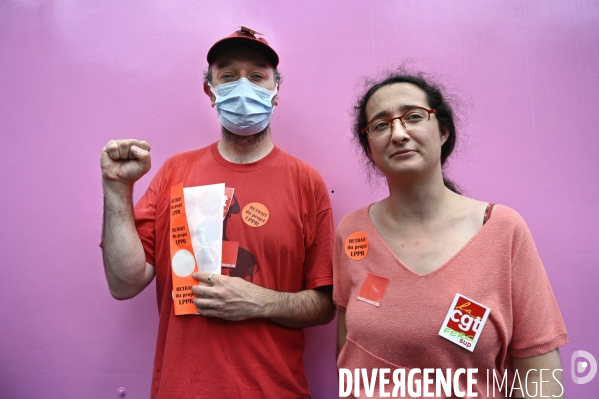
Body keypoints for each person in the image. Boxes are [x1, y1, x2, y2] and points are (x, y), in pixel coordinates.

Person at [100, 27, 335, 399]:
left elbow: (325, 305)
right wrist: (117, 189)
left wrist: (260, 301)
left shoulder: (306, 182)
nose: (243, 86)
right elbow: (124, 283)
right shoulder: (175, 171)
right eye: (228, 76)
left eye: (257, 75)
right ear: (210, 92)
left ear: (276, 91)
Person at [333, 70, 568, 398]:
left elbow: (540, 379)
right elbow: (348, 353)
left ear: (442, 131)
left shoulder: (502, 230)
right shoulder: (352, 233)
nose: (398, 133)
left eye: (413, 116)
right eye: (381, 124)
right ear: (369, 147)